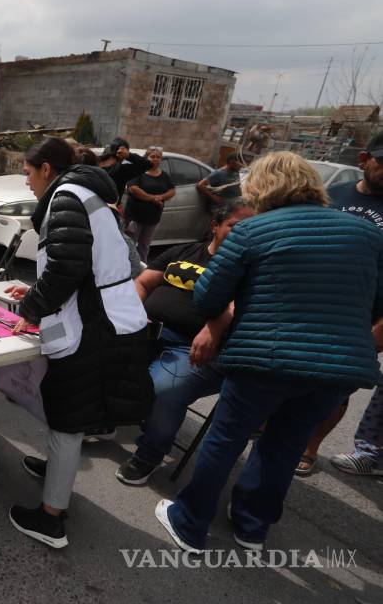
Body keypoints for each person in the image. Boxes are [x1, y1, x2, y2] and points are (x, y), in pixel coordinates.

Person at [155, 152, 383, 554]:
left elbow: (208, 297)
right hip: (337, 368)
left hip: (266, 359)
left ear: (260, 188)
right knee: (285, 445)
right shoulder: (367, 234)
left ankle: (189, 524)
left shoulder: (253, 231)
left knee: (225, 439)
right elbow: (375, 302)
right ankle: (252, 527)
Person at [3, 137, 153, 549]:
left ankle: (51, 518)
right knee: (67, 408)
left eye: (29, 171)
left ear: (47, 169)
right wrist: (36, 293)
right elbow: (81, 264)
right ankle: (56, 470)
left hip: (92, 324)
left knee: (69, 416)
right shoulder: (86, 193)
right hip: (102, 316)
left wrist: (32, 307)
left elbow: (68, 266)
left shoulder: (66, 196)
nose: (26, 178)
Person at [115, 200, 255, 485]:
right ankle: (108, 419)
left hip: (192, 346)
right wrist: (135, 314)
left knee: (163, 389)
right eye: (235, 226)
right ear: (215, 226)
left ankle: (149, 454)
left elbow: (235, 306)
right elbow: (142, 283)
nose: (243, 233)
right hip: (148, 331)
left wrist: (213, 329)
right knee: (104, 354)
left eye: (250, 228)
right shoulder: (183, 251)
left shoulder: (249, 268)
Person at [296, 131, 383, 476]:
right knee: (291, 373)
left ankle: (309, 447)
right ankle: (276, 429)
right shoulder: (333, 196)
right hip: (311, 304)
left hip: (363, 318)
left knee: (335, 389)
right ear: (364, 160)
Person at [122, 147, 175, 262]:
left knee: (144, 246)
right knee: (129, 245)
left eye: (158, 157)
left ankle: (141, 269)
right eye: (152, 156)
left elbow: (172, 190)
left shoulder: (164, 176)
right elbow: (133, 189)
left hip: (152, 219)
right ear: (146, 158)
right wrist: (153, 199)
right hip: (135, 218)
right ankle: (126, 267)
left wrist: (161, 197)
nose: (155, 159)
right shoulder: (139, 172)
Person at [105, 137, 153, 202]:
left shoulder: (95, 163)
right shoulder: (122, 170)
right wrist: (128, 156)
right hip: (110, 207)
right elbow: (148, 164)